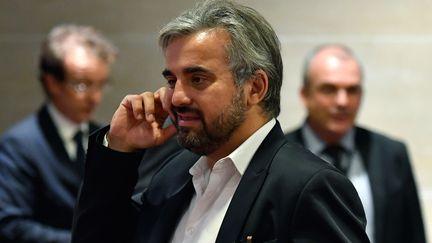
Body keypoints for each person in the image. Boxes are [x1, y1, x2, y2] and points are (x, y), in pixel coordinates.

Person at [71, 1, 370, 242]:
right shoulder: (175, 175)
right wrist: (119, 150)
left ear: (255, 88)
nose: (176, 98)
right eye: (173, 80)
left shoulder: (308, 186)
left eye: (198, 79)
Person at [285, 44, 426, 243]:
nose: (343, 101)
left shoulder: (391, 154)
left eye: (352, 90)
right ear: (305, 95)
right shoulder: (277, 155)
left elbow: (413, 235)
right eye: (329, 89)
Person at [0, 24, 117, 243]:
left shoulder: (104, 136)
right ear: (52, 83)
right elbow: (10, 226)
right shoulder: (18, 144)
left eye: (100, 85)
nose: (95, 98)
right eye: (83, 85)